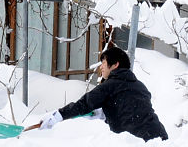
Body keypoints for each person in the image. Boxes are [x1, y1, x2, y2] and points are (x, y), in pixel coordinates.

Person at [38, 46, 169, 142]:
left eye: (104, 63)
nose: (101, 67)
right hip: (159, 137)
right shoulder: (139, 86)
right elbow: (131, 111)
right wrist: (106, 113)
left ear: (115, 65)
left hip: (138, 143)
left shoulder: (110, 85)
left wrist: (58, 116)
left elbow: (84, 104)